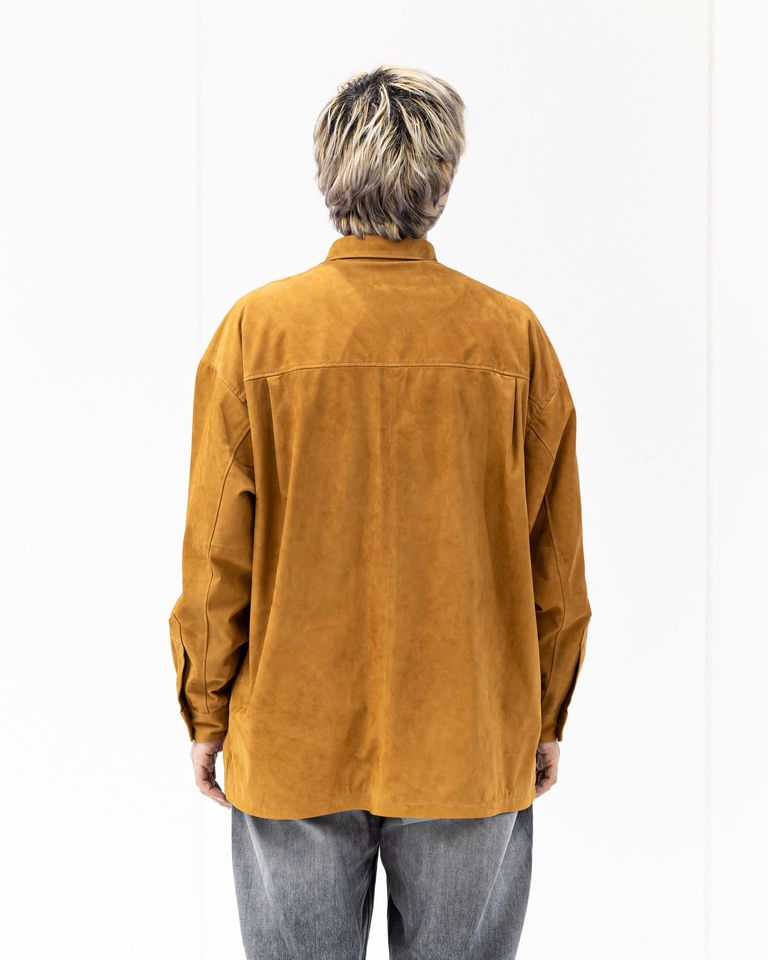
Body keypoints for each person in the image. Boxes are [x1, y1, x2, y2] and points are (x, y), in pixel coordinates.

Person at [168, 63, 592, 960]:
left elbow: (215, 558)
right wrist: (546, 713)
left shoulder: (257, 333)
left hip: (293, 737)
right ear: (443, 179)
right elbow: (556, 561)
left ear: (327, 173)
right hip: (469, 737)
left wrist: (207, 711)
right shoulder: (511, 337)